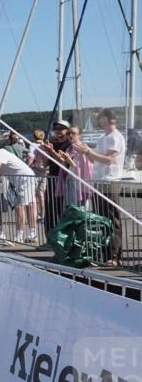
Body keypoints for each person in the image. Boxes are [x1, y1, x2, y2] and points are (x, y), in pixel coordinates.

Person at [74, 107, 126, 265]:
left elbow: (110, 159)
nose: (98, 120)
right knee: (102, 219)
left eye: (100, 117)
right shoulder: (104, 137)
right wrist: (85, 152)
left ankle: (114, 256)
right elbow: (95, 160)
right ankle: (104, 252)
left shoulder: (115, 137)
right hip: (99, 181)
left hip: (110, 181)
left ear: (106, 118)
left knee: (111, 218)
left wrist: (88, 151)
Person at [0, 139, 37, 243]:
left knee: (21, 206)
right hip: (18, 181)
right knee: (27, 205)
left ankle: (21, 235)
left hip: (25, 178)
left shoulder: (1, 153)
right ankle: (30, 233)